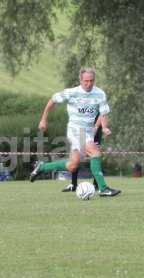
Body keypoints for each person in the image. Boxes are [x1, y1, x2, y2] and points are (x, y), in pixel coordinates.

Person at [30, 68, 121, 197]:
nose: (89, 84)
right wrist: (43, 120)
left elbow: (104, 113)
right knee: (95, 152)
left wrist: (105, 127)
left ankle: (42, 167)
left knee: (73, 165)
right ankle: (103, 189)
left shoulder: (100, 94)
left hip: (88, 131)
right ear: (80, 80)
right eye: (86, 81)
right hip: (75, 130)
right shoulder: (72, 93)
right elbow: (52, 100)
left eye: (91, 81)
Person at [61, 113, 102, 192]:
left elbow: (102, 113)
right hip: (81, 128)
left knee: (95, 155)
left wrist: (96, 127)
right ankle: (73, 184)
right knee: (76, 155)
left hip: (94, 129)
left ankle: (97, 184)